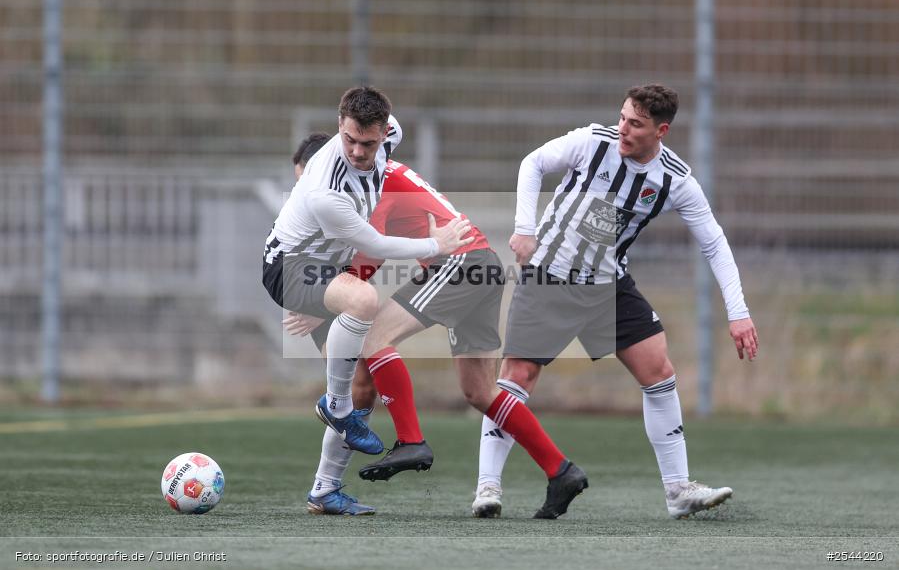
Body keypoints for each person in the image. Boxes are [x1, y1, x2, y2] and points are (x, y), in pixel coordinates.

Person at [477, 83, 759, 519]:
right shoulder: (592, 142)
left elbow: (715, 243)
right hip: (550, 275)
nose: (623, 129)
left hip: (607, 285)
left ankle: (678, 491)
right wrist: (525, 227)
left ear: (661, 130)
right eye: (623, 117)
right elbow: (532, 163)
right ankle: (488, 488)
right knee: (518, 375)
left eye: (636, 124)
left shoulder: (675, 180)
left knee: (658, 369)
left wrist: (738, 312)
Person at [287, 155, 588, 519]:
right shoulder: (375, 172)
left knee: (372, 338)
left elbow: (371, 254)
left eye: (310, 180)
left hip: (459, 265)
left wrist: (322, 296)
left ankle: (411, 441)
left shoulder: (373, 181)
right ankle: (561, 470)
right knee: (480, 391)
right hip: (482, 265)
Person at [262, 87, 474, 500]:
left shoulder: (387, 134)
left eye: (369, 142)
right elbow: (376, 244)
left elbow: (395, 128)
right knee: (363, 302)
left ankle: (325, 489)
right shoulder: (326, 190)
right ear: (339, 126)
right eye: (350, 140)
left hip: (329, 271)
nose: (358, 152)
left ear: (383, 134)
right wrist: (437, 245)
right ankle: (334, 406)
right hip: (289, 268)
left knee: (364, 383)